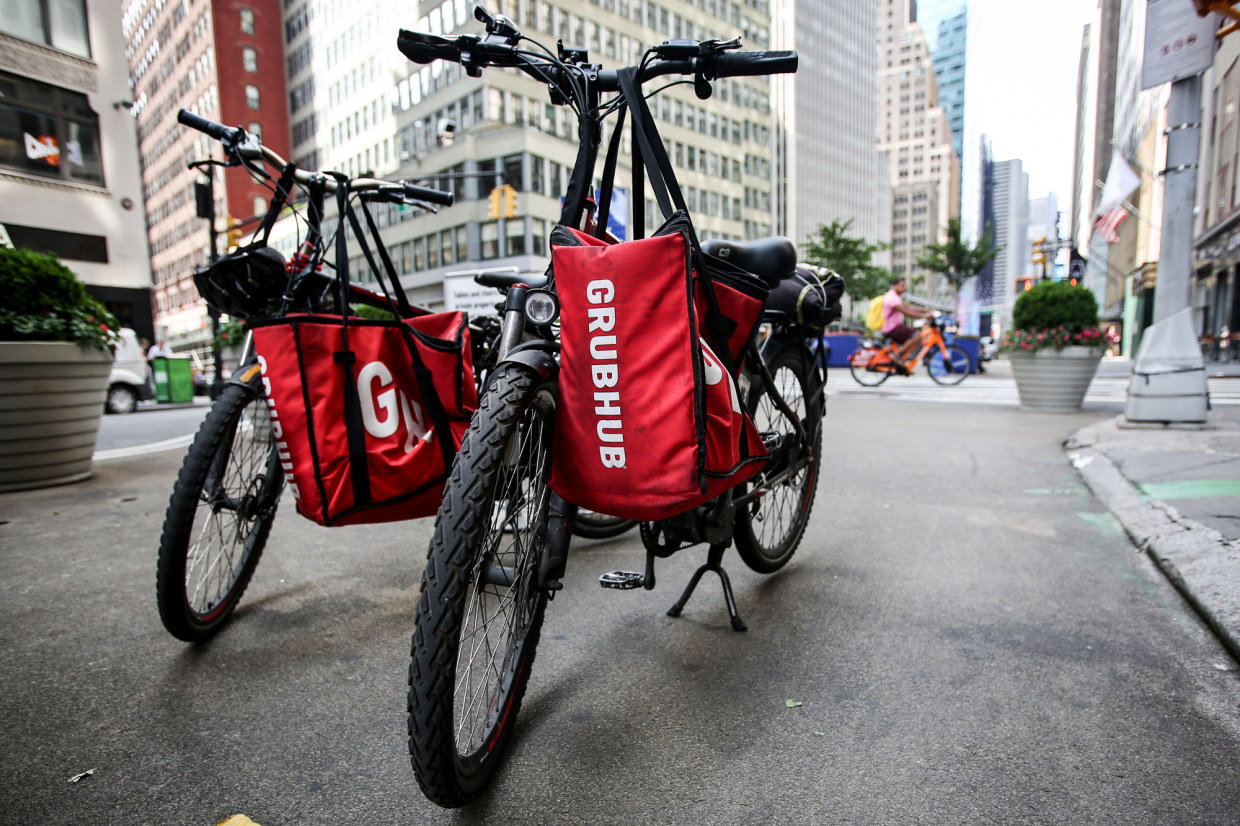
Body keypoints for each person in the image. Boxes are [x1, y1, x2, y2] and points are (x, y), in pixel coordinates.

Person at [880, 277, 934, 349]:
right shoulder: (892, 298)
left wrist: (924, 310)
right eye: (901, 285)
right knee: (916, 335)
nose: (904, 288)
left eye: (904, 286)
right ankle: (897, 356)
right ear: (895, 285)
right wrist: (925, 315)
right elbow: (907, 311)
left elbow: (908, 307)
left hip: (893, 327)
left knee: (913, 338)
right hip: (892, 328)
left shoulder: (895, 296)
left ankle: (902, 355)